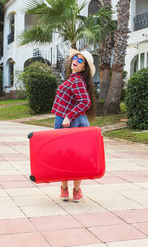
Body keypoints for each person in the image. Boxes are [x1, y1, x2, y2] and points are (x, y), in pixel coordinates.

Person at [51, 48, 96, 203]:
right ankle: (72, 191)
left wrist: (68, 116)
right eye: (75, 58)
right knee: (72, 156)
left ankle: (69, 191)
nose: (75, 61)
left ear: (84, 67)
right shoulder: (73, 79)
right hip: (66, 119)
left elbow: (85, 102)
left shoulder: (76, 80)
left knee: (67, 156)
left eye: (80, 60)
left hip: (67, 121)